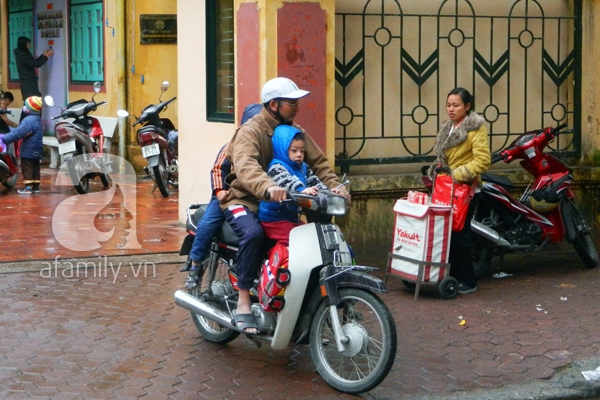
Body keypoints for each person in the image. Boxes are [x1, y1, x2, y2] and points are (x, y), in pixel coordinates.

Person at [221, 77, 350, 334]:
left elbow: (319, 163)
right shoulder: (251, 131)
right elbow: (247, 166)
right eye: (292, 102)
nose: (297, 106)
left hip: (286, 202)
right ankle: (244, 300)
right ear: (274, 104)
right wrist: (268, 187)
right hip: (249, 199)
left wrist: (336, 188)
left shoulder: (293, 130)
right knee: (254, 233)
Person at [184, 103, 263, 289]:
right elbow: (217, 169)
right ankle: (196, 265)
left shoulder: (267, 150)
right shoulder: (230, 148)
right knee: (209, 222)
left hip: (253, 198)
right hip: (227, 196)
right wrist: (220, 192)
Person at [428, 87, 491, 294]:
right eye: (448, 105)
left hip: (464, 190)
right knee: (447, 233)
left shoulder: (475, 128)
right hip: (445, 188)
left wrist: (457, 174)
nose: (451, 109)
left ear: (467, 106)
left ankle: (468, 280)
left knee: (460, 235)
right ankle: (452, 276)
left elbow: (482, 161)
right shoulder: (449, 127)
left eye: (456, 105)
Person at [258, 125, 328, 245]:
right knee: (300, 242)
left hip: (291, 218)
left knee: (316, 237)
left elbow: (314, 182)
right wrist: (301, 190)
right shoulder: (277, 167)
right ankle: (275, 263)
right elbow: (286, 183)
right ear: (282, 149)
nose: (299, 154)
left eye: (302, 151)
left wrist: (328, 192)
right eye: (294, 151)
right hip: (273, 220)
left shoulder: (303, 167)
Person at [1, 96, 44, 194]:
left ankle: (28, 188)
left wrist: (5, 139)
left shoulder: (28, 121)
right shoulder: (37, 119)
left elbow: (18, 133)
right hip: (37, 149)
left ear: (30, 108)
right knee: (35, 168)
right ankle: (36, 187)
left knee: (27, 167)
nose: (24, 107)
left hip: (28, 149)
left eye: (26, 106)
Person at [14, 37, 54, 103]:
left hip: (29, 83)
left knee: (32, 103)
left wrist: (43, 55)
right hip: (28, 85)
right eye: (27, 44)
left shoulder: (21, 54)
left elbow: (33, 62)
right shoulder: (22, 56)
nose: (29, 46)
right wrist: (47, 56)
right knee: (32, 104)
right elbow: (37, 64)